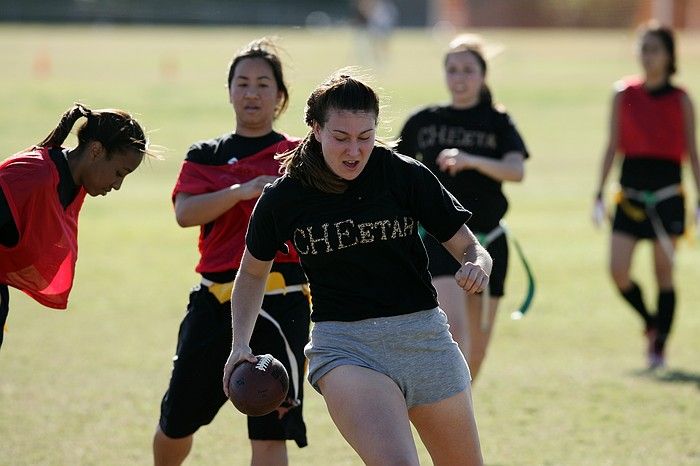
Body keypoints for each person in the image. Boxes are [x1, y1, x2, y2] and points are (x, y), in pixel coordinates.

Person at [223, 72, 491, 466]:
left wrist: (477, 265)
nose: (354, 151)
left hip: (424, 339)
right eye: (341, 137)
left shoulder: (403, 174)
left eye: (365, 137)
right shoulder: (286, 196)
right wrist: (240, 344)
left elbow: (470, 247)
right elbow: (250, 273)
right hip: (347, 348)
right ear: (315, 129)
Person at [153, 38, 311, 466]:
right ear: (229, 91)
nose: (252, 92)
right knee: (176, 420)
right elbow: (185, 212)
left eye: (263, 83)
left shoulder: (300, 156)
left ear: (280, 95)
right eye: (242, 82)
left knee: (269, 429)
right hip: (215, 301)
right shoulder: (207, 155)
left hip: (283, 304)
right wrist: (244, 190)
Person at [396, 34, 529, 382]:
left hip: (490, 241)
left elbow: (516, 170)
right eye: (452, 69)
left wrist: (471, 160)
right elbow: (396, 171)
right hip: (440, 241)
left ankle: (457, 420)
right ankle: (443, 414)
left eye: (468, 70)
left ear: (482, 75)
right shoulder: (423, 121)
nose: (460, 77)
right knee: (454, 331)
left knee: (478, 349)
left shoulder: (498, 121)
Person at [592, 22, 700, 369]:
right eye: (644, 48)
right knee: (617, 270)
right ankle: (650, 322)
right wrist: (598, 192)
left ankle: (660, 345)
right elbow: (612, 145)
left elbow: (692, 152)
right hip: (631, 196)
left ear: (669, 56)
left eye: (655, 49)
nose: (648, 55)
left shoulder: (681, 99)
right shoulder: (623, 93)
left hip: (668, 195)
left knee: (663, 270)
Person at [0, 103, 149, 350]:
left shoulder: (74, 183)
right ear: (95, 151)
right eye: (119, 172)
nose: (117, 185)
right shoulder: (33, 176)